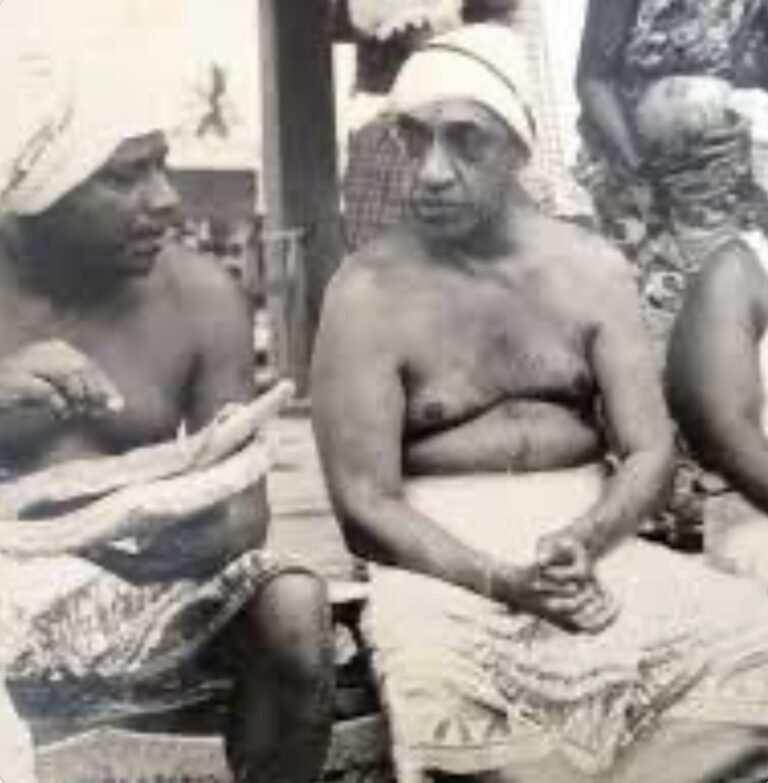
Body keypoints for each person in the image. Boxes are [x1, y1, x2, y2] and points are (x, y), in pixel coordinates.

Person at [312, 23, 768, 783]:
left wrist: (588, 538)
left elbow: (648, 451)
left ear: (518, 148)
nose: (432, 171)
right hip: (439, 570)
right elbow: (364, 503)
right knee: (453, 717)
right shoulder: (366, 291)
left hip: (597, 552)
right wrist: (499, 580)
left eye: (466, 141)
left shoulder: (591, 269)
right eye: (415, 139)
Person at [0, 45, 333, 783]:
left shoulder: (200, 294)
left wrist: (176, 546)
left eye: (161, 165)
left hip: (151, 579)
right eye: (125, 176)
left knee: (295, 607)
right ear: (33, 183)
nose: (165, 200)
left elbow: (244, 513)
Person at [576, 0, 768, 284]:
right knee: (648, 288)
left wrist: (750, 126)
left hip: (718, 173)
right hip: (631, 172)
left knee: (724, 283)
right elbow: (593, 80)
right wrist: (640, 166)